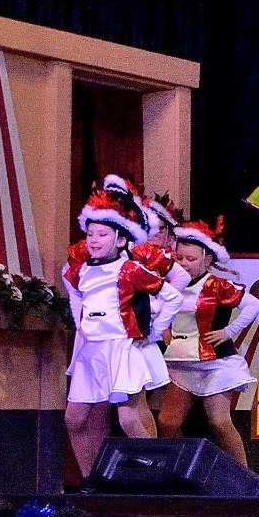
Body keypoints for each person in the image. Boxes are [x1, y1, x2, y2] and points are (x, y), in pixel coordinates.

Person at [63, 188, 183, 477]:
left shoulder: (129, 269)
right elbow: (75, 292)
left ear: (120, 240)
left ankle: (157, 474)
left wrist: (154, 331)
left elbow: (173, 297)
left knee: (129, 418)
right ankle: (91, 480)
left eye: (102, 234)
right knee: (74, 420)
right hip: (91, 350)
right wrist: (81, 323)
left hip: (121, 348)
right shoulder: (81, 270)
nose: (94, 239)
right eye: (90, 234)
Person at [157, 217, 259, 467]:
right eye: (179, 258)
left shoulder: (217, 286)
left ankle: (244, 477)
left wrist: (229, 331)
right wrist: (163, 329)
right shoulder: (168, 285)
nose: (184, 263)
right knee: (167, 423)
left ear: (207, 260)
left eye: (191, 259)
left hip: (215, 363)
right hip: (181, 363)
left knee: (219, 423)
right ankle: (184, 471)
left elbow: (255, 304)